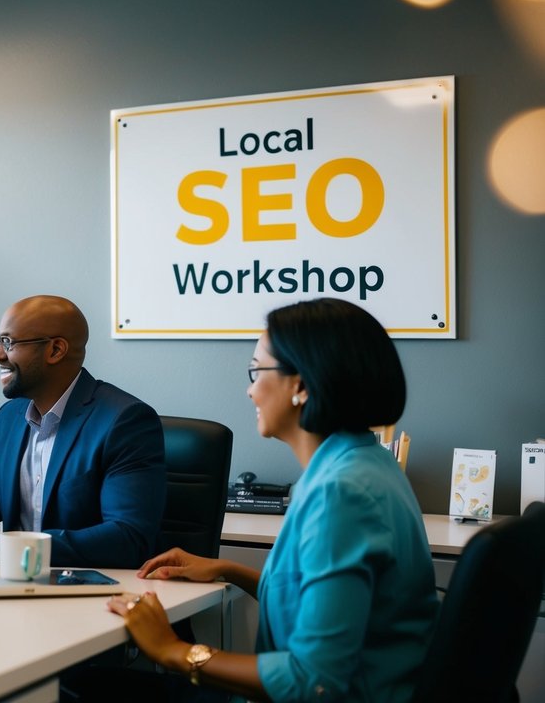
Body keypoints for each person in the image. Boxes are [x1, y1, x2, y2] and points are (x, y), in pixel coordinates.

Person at [107, 298, 437, 702]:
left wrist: (171, 650)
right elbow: (329, 607)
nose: (249, 390)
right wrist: (228, 569)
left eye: (256, 371)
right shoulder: (366, 463)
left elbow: (313, 680)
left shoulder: (340, 493)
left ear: (300, 385)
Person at [0, 295, 165, 568]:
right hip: (10, 588)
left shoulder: (124, 421)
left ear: (55, 350)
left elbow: (128, 538)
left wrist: (0, 548)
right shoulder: (9, 418)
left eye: (8, 343)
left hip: (84, 594)